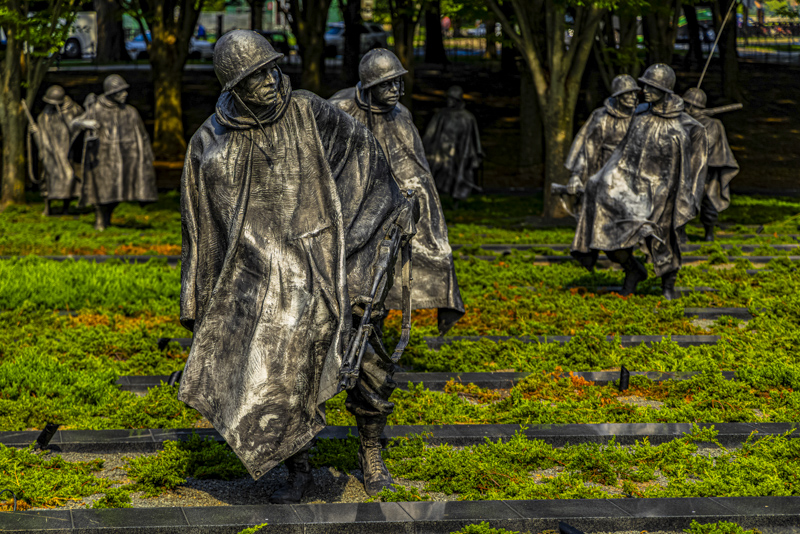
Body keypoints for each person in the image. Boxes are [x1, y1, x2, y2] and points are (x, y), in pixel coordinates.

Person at [178, 30, 416, 504]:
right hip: (263, 280)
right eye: (256, 76)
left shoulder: (309, 110)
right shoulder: (208, 143)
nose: (271, 79)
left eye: (272, 68)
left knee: (367, 361)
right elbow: (201, 234)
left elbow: (368, 167)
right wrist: (201, 305)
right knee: (277, 373)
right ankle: (298, 468)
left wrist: (362, 246)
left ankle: (371, 451)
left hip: (330, 262)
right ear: (234, 86)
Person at [329, 48, 465, 334]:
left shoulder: (401, 115)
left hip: (391, 210)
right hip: (348, 211)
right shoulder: (340, 109)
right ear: (370, 86)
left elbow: (416, 173)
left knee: (401, 262)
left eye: (398, 82)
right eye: (387, 84)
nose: (395, 90)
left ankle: (374, 334)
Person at [571, 64, 708, 299]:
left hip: (664, 193)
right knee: (609, 232)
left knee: (663, 241)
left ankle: (668, 285)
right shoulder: (639, 116)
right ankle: (633, 270)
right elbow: (621, 153)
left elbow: (698, 168)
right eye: (645, 85)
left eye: (651, 87)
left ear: (665, 89)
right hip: (632, 189)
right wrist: (599, 179)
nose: (644, 90)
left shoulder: (689, 126)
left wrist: (691, 199)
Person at [72, 74, 157, 231]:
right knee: (101, 189)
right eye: (120, 92)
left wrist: (146, 155)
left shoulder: (130, 112)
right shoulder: (96, 109)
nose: (125, 94)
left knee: (118, 190)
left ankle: (107, 218)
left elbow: (142, 136)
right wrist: (85, 123)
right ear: (111, 93)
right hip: (101, 157)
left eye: (125, 90)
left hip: (124, 157)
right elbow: (74, 123)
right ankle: (100, 219)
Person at [565, 75, 639, 196]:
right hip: (606, 176)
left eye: (634, 93)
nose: (633, 96)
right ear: (618, 96)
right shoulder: (602, 118)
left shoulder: (640, 117)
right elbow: (588, 149)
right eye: (628, 93)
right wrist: (576, 175)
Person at [682, 87, 740, 242]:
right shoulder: (682, 121)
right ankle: (680, 232)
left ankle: (709, 233)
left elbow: (706, 145)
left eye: (687, 105)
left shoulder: (713, 124)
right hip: (685, 168)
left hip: (705, 169)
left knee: (709, 200)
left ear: (693, 106)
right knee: (682, 201)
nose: (684, 108)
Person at [422, 85, 484, 206]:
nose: (449, 101)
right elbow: (430, 134)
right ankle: (434, 200)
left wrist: (476, 153)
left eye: (452, 99)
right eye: (448, 98)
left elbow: (474, 137)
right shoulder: (441, 115)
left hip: (461, 152)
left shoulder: (468, 117)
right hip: (441, 152)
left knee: (459, 175)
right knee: (437, 173)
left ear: (458, 100)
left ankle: (456, 200)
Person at [29, 85, 83, 216]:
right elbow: (42, 129)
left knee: (68, 177)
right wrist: (36, 131)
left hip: (65, 152)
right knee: (47, 179)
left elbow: (77, 127)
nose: (52, 106)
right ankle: (47, 207)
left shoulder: (74, 110)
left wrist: (65, 118)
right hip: (50, 153)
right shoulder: (45, 114)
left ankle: (66, 207)